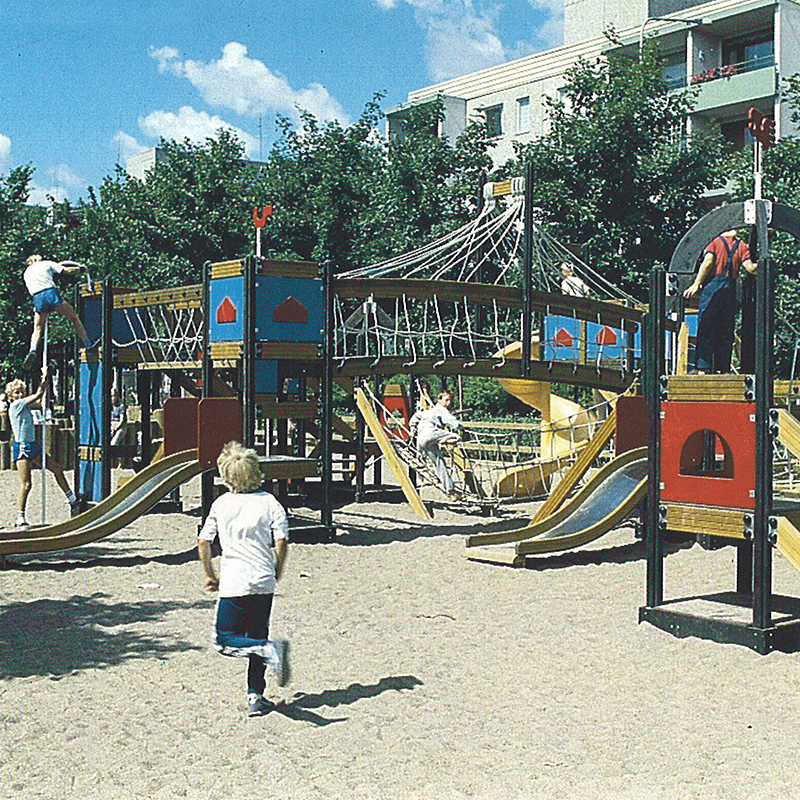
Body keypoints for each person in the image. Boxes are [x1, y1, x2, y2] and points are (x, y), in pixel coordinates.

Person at [197, 441, 291, 717]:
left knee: (225, 639)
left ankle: (271, 650)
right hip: (263, 579)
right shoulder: (270, 502)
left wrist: (209, 574)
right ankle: (255, 695)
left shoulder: (222, 503)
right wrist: (278, 567)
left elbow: (204, 542)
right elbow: (281, 540)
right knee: (256, 636)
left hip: (235, 582)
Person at [6, 368, 80, 528]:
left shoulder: (24, 406)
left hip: (33, 446)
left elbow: (42, 403)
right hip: (23, 448)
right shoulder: (16, 406)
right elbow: (39, 394)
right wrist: (45, 377)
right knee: (26, 484)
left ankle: (72, 499)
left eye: (21, 392)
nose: (20, 395)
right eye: (16, 393)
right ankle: (20, 517)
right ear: (11, 396)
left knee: (57, 468)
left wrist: (45, 395)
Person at [684, 229, 757, 374]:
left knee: (706, 326)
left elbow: (708, 262)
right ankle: (723, 369)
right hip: (730, 289)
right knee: (726, 330)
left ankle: (702, 368)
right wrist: (766, 265)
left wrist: (696, 284)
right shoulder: (742, 245)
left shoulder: (714, 242)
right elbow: (751, 268)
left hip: (713, 287)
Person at [22, 254, 96, 371]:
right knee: (73, 317)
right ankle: (88, 343)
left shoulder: (26, 273)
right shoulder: (46, 263)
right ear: (37, 259)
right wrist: (81, 269)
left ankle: (32, 350)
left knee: (38, 328)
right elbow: (67, 271)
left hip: (37, 297)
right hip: (50, 293)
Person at [409, 390, 463, 500]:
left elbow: (415, 416)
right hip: (431, 433)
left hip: (422, 439)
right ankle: (445, 439)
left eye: (450, 401)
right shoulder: (441, 410)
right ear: (439, 400)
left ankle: (451, 491)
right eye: (446, 400)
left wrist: (412, 427)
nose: (448, 403)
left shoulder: (428, 411)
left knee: (440, 464)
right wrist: (461, 427)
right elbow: (453, 422)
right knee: (458, 437)